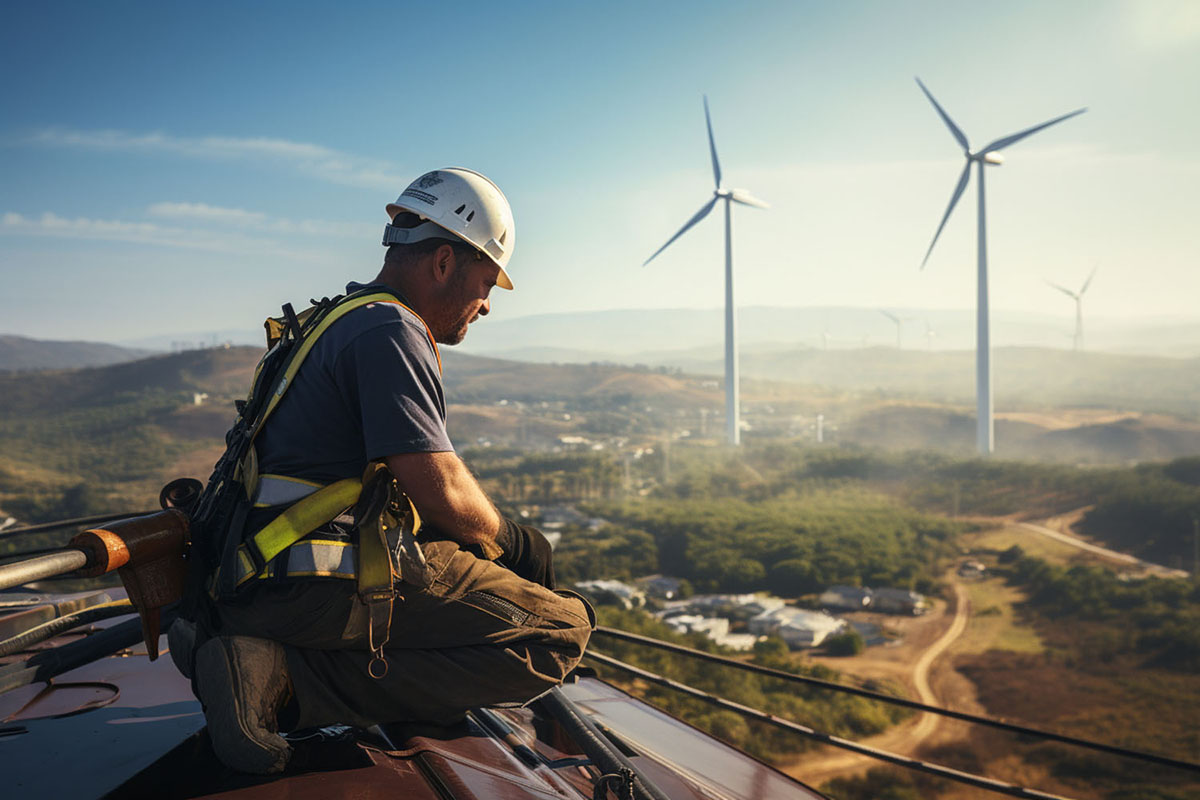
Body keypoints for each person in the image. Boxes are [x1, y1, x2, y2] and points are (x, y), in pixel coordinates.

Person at [180, 168, 594, 775]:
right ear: (445, 262)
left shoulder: (336, 318)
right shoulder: (391, 329)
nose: (485, 306)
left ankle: (244, 649)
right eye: (486, 284)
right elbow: (437, 484)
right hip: (311, 588)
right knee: (559, 630)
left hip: (251, 577)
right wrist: (510, 541)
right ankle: (281, 677)